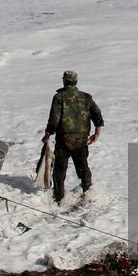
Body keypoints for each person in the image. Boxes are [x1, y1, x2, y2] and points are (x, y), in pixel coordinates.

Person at [42, 70, 104, 203]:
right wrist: (97, 133)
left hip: (64, 139)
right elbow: (97, 114)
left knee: (60, 169)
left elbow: (54, 119)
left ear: (64, 81)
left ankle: (59, 199)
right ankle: (88, 194)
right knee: (83, 166)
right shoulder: (86, 97)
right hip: (81, 139)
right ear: (76, 81)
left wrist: (48, 134)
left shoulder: (59, 97)